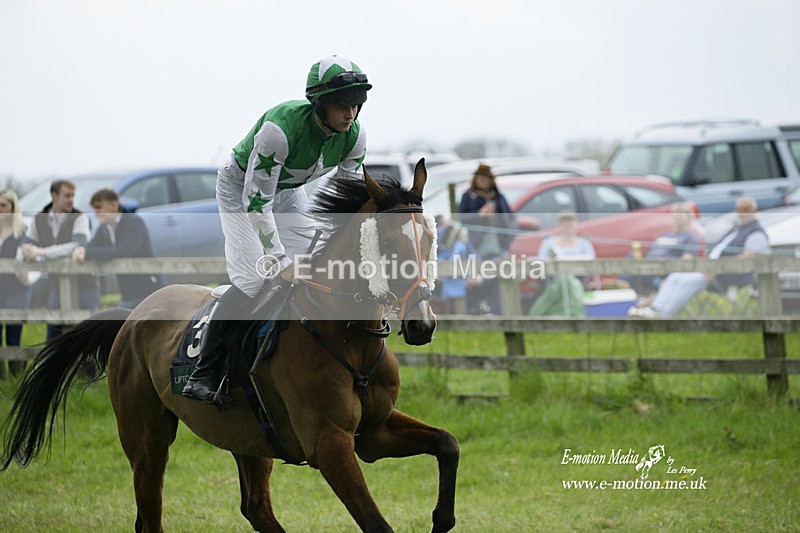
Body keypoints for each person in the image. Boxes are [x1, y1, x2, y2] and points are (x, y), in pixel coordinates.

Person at [182, 55, 372, 403]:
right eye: (343, 105)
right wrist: (280, 260)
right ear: (320, 103)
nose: (351, 114)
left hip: (286, 193)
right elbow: (257, 204)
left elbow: (345, 207)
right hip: (241, 192)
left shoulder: (354, 137)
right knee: (256, 279)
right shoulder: (279, 131)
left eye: (357, 104)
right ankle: (204, 370)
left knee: (315, 268)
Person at [629, 197, 769, 317]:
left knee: (687, 281)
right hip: (711, 270)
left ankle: (664, 315)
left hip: (729, 275)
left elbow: (748, 259)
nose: (742, 213)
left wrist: (717, 268)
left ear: (754, 211)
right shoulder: (736, 229)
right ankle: (655, 309)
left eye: (747, 209)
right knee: (675, 276)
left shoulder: (756, 234)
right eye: (740, 209)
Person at [18, 180, 99, 340]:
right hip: (57, 283)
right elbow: (27, 241)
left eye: (73, 196)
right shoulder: (39, 219)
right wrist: (26, 248)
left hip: (85, 283)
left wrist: (42, 252)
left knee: (88, 333)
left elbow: (78, 244)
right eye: (66, 196)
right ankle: (53, 365)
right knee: (53, 332)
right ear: (54, 196)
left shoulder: (80, 218)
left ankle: (91, 366)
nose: (71, 200)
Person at [71, 189, 165, 309]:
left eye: (99, 207)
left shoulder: (134, 222)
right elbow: (91, 246)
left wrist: (87, 252)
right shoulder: (104, 229)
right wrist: (80, 250)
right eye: (95, 208)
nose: (96, 212)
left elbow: (124, 251)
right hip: (128, 294)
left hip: (149, 292)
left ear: (114, 205)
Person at [458, 163, 515, 314]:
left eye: (485, 178)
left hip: (496, 247)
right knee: (476, 277)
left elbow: (510, 220)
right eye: (479, 178)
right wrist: (480, 215)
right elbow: (460, 218)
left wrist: (507, 238)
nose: (482, 181)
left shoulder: (498, 197)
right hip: (474, 247)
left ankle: (496, 313)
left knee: (499, 275)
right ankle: (471, 311)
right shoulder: (467, 197)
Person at [623, 202, 702, 294]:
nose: (677, 216)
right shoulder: (664, 235)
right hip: (647, 265)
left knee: (638, 272)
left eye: (681, 213)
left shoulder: (690, 238)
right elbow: (651, 252)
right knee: (630, 258)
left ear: (689, 219)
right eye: (675, 213)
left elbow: (686, 260)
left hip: (662, 271)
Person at [528, 211, 596, 317]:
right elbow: (541, 262)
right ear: (559, 225)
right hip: (551, 282)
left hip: (577, 281)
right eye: (564, 222)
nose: (568, 225)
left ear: (577, 224)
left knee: (568, 281)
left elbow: (592, 264)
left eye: (571, 221)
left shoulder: (584, 244)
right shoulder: (548, 242)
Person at [0, 189, 31, 377]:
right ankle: (2, 378)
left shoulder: (22, 233)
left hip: (16, 289)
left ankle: (16, 377)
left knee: (13, 336)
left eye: (3, 205)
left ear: (13, 208)